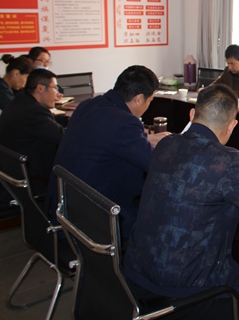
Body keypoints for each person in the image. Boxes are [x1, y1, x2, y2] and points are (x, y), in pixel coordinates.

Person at [124, 84, 239, 319]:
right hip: (184, 292)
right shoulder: (230, 162)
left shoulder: (166, 145)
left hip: (136, 277)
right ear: (232, 125)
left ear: (192, 114)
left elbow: (193, 173)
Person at [46, 65, 170, 239]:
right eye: (150, 100)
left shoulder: (89, 105)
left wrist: (145, 140)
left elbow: (103, 138)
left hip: (64, 206)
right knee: (163, 219)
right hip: (95, 217)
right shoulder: (124, 122)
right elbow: (154, 164)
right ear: (138, 99)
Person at [0, 69, 64, 180]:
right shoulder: (35, 111)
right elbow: (63, 137)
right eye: (55, 88)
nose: (57, 92)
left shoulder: (21, 101)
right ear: (40, 88)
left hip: (7, 172)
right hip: (28, 178)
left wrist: (69, 121)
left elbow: (47, 123)